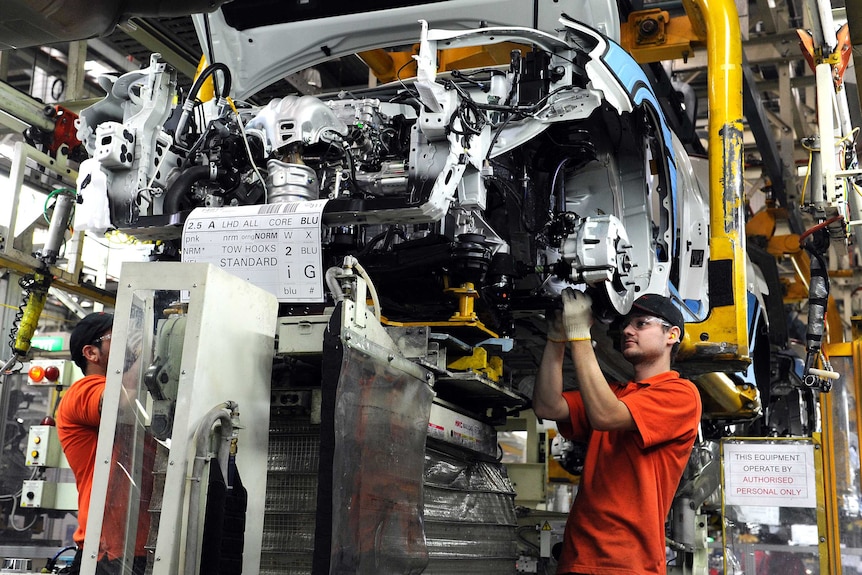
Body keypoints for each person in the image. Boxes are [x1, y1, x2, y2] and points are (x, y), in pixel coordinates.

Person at [533, 289, 702, 575]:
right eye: (625, 324)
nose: (627, 330)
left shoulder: (682, 394)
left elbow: (606, 415)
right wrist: (556, 339)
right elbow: (548, 406)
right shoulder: (617, 394)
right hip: (578, 556)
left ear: (671, 335)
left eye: (641, 323)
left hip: (628, 562)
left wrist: (580, 336)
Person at [55, 312, 151, 575]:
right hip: (107, 554)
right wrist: (146, 351)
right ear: (91, 353)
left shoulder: (144, 397)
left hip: (144, 547)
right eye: (117, 337)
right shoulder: (82, 392)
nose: (127, 343)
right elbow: (119, 402)